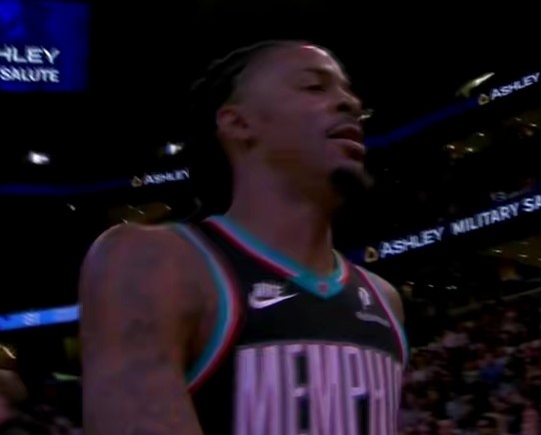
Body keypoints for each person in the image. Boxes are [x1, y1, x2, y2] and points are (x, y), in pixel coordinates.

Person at [79, 40, 408, 435]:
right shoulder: (155, 260)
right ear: (238, 123)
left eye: (348, 90)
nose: (350, 103)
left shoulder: (384, 298)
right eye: (314, 86)